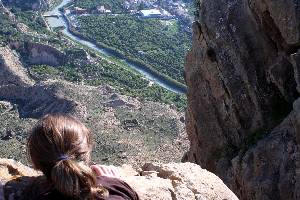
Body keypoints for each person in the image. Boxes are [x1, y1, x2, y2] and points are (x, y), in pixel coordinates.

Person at [26, 114, 140, 200]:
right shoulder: (118, 192)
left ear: (35, 163)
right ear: (86, 154)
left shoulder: (31, 195)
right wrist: (113, 183)